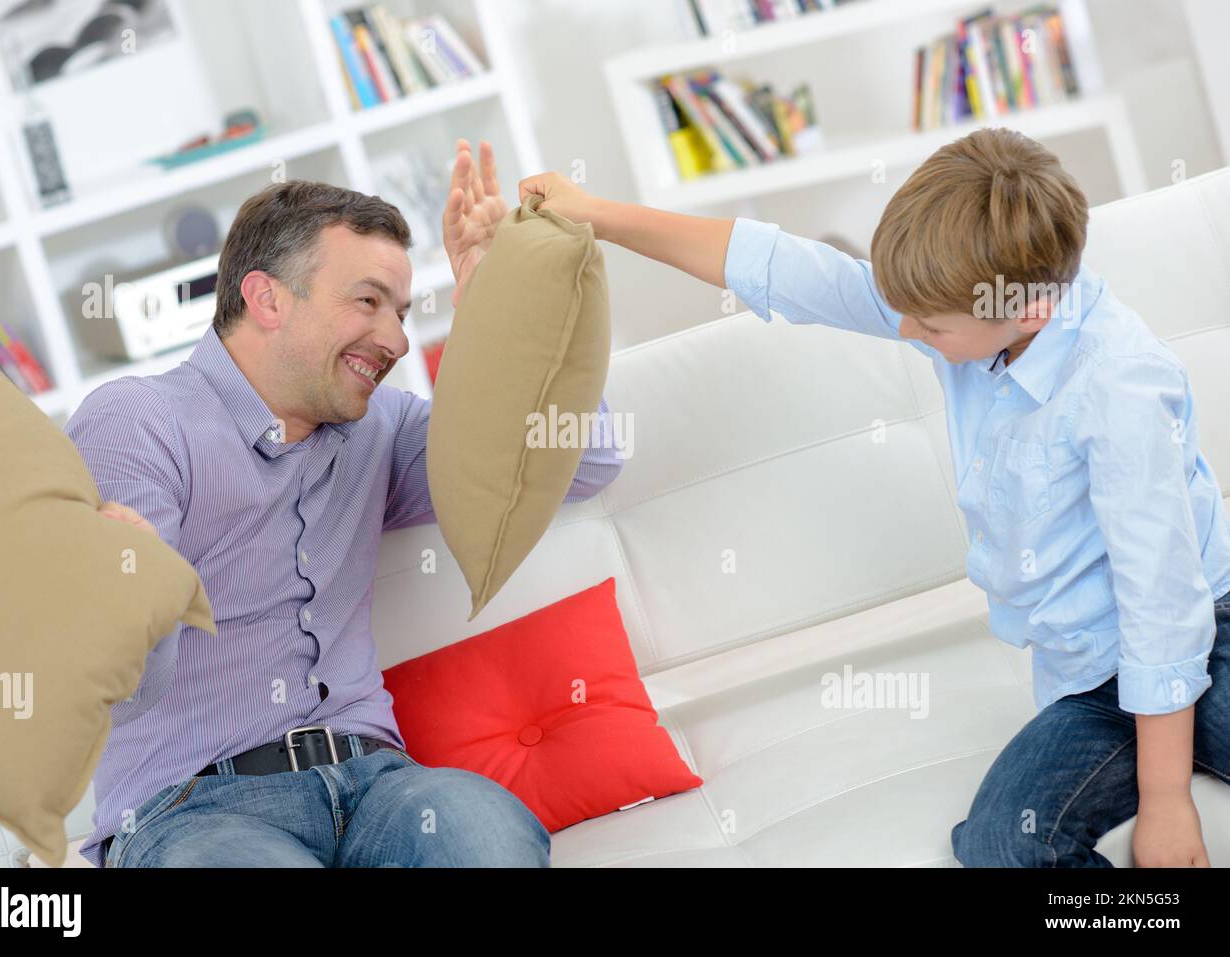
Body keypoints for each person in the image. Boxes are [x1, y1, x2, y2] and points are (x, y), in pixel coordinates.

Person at [516, 128, 1230, 867]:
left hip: (1203, 628)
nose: (909, 332)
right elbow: (788, 270)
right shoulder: (975, 312)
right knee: (998, 846)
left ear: (1028, 314)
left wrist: (1168, 798)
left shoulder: (1118, 387)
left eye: (931, 325)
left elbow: (1162, 602)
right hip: (1095, 680)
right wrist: (595, 213)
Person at [75, 140, 623, 867]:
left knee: (486, 836)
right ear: (266, 297)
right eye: (368, 302)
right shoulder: (138, 419)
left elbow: (585, 459)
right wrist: (126, 596)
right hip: (193, 809)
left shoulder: (381, 428)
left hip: (382, 789)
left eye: (399, 310)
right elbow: (125, 687)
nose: (397, 338)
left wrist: (503, 300)